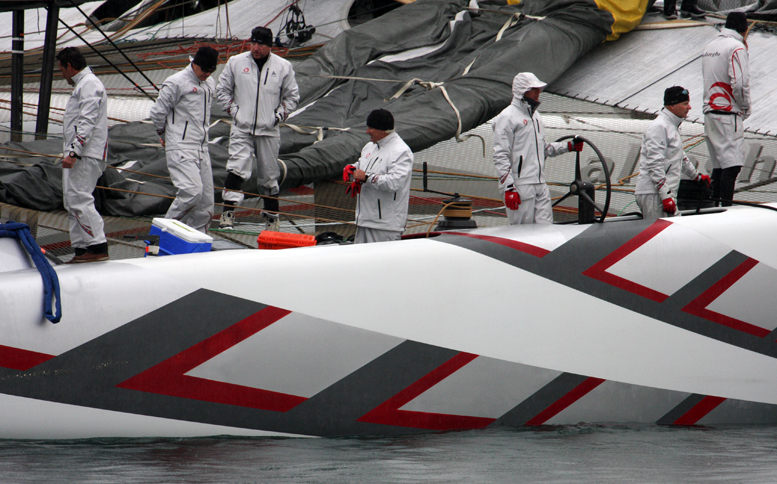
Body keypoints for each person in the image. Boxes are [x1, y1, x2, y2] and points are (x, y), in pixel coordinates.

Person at [215, 26, 299, 230]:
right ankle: (227, 214)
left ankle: (271, 219)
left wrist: (277, 116)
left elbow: (292, 96)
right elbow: (222, 90)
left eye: (261, 44)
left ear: (269, 46)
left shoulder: (283, 66)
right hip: (242, 128)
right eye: (253, 43)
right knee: (237, 168)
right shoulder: (236, 62)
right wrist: (235, 112)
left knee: (269, 176)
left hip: (268, 130)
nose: (256, 48)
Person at [492, 72, 583, 225]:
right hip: (519, 186)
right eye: (533, 89)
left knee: (545, 232)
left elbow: (543, 148)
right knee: (522, 235)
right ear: (522, 91)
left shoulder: (536, 117)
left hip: (540, 184)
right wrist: (509, 188)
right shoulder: (506, 117)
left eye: (538, 88)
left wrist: (568, 146)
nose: (538, 92)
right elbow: (500, 154)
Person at [149, 46, 218, 233]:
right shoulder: (176, 82)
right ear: (194, 63)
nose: (208, 74)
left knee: (206, 202)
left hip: (202, 147)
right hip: (180, 145)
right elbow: (157, 113)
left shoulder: (210, 83)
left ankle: (197, 240)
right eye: (205, 70)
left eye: (212, 70)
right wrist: (164, 135)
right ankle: (162, 233)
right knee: (191, 193)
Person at [56, 47, 109, 263]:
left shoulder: (89, 84)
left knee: (80, 198)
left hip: (85, 154)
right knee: (72, 201)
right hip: (80, 153)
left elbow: (87, 120)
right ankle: (80, 248)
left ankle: (97, 246)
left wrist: (74, 152)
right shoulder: (84, 85)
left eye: (62, 70)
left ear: (69, 66)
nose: (62, 75)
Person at [635, 86, 710, 222]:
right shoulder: (659, 127)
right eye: (685, 104)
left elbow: (679, 155)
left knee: (671, 234)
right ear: (673, 106)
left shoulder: (671, 126)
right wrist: (665, 196)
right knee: (661, 239)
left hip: (661, 194)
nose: (689, 107)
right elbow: (654, 164)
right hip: (654, 194)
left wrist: (696, 176)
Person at [342, 109, 413, 244]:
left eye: (371, 128)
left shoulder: (401, 151)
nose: (367, 131)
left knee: (384, 265)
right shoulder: (370, 147)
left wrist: (366, 177)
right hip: (364, 220)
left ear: (383, 130)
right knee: (361, 263)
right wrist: (353, 169)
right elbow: (363, 165)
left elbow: (394, 183)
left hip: (386, 226)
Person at [702, 12, 751, 207]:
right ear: (744, 29)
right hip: (728, 112)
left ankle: (715, 206)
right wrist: (745, 107)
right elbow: (739, 83)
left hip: (710, 112)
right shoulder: (736, 46)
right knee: (732, 166)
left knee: (719, 166)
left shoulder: (710, 46)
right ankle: (725, 210)